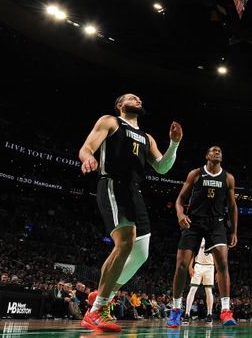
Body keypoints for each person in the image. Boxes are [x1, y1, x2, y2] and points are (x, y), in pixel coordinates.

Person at [79, 93, 183, 331]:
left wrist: (174, 143)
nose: (138, 100)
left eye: (139, 99)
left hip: (135, 192)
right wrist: (87, 159)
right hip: (113, 183)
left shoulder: (147, 138)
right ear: (119, 105)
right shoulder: (111, 121)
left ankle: (101, 294)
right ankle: (96, 311)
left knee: (141, 252)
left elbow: (163, 167)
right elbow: (86, 148)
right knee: (125, 241)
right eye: (132, 98)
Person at [167, 145, 238, 327]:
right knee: (182, 265)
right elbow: (180, 200)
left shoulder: (228, 178)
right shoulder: (195, 174)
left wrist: (234, 230)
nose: (217, 152)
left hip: (216, 223)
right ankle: (175, 310)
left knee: (222, 263)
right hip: (194, 222)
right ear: (206, 155)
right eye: (213, 150)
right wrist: (180, 214)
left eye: (220, 151)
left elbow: (232, 207)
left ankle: (225, 311)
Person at [183, 240, 215, 323]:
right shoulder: (198, 236)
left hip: (210, 266)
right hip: (198, 265)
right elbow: (192, 253)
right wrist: (190, 267)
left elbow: (218, 254)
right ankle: (187, 314)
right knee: (192, 289)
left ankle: (209, 314)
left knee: (208, 291)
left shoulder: (214, 236)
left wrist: (218, 271)